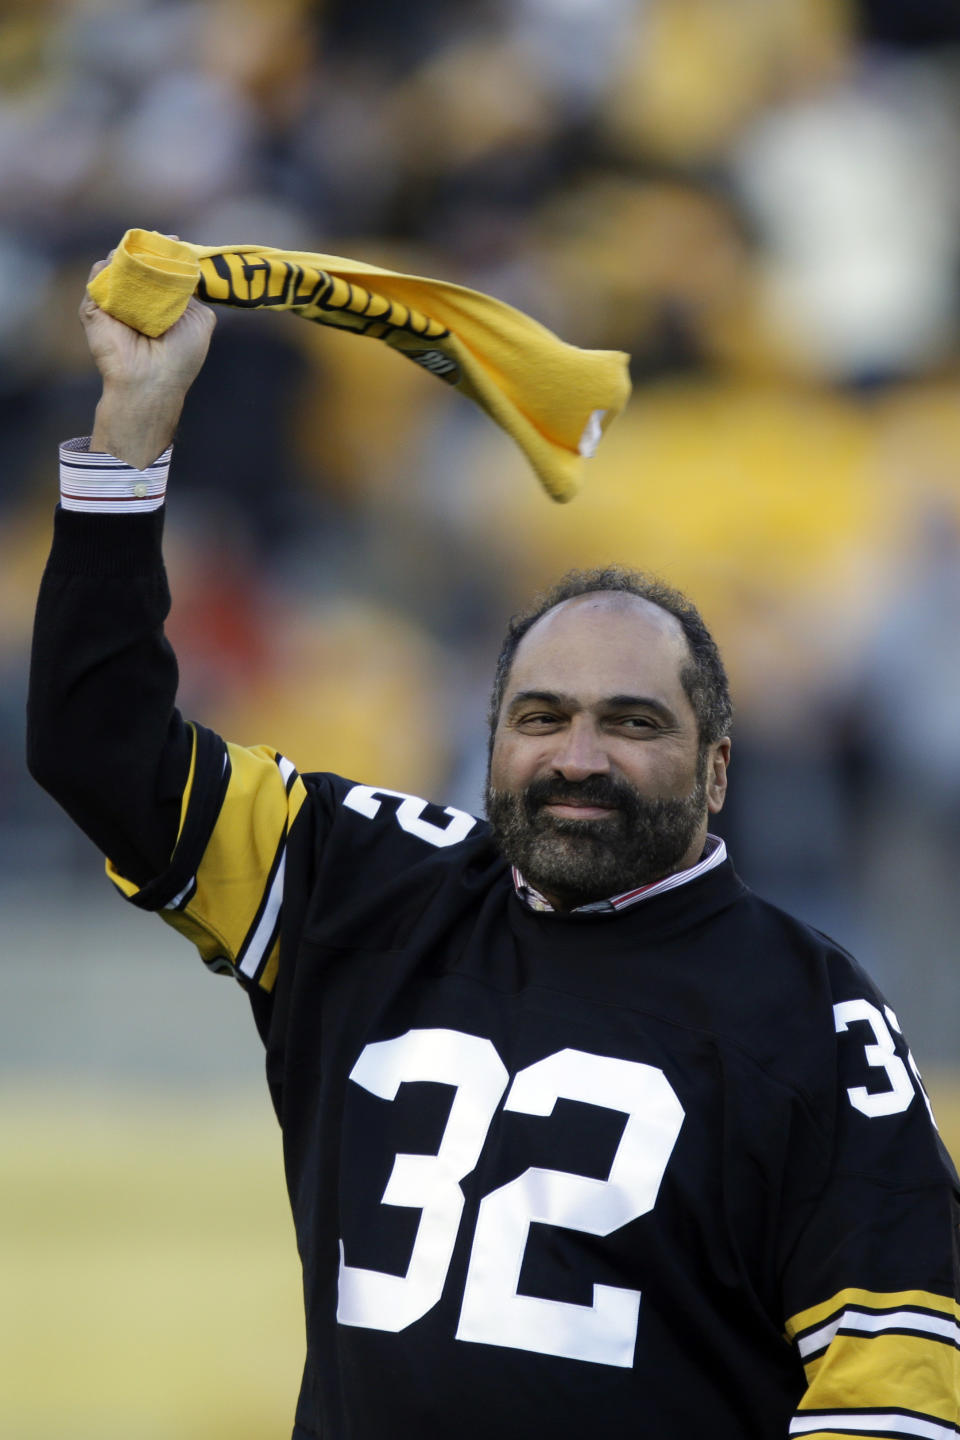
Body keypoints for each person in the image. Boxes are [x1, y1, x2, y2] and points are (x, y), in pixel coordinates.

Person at [27, 265, 960, 1440]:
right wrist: (134, 422)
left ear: (717, 768)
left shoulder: (813, 1012)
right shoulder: (368, 884)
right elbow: (98, 747)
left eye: (634, 723)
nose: (578, 756)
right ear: (490, 737)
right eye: (541, 717)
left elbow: (895, 1398)